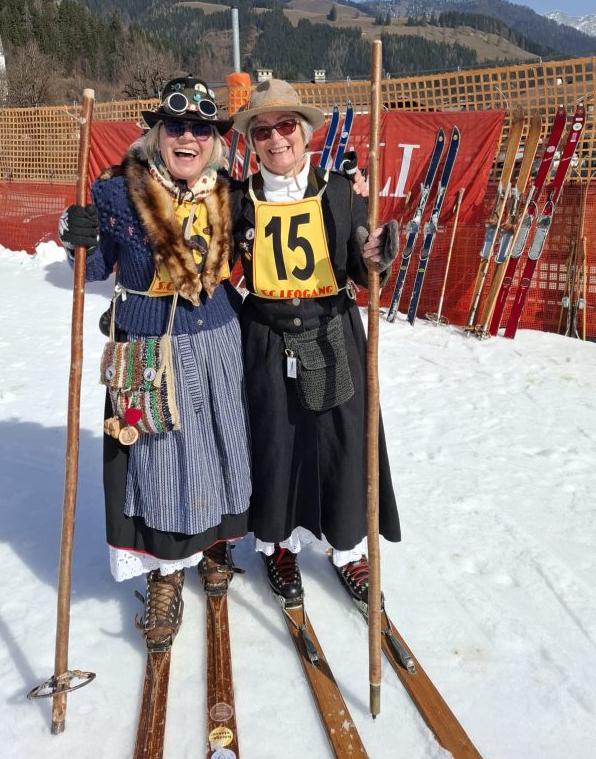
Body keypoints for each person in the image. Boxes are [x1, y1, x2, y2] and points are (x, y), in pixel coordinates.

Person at [59, 76, 251, 650]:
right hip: (150, 344)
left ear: (214, 140)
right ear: (157, 133)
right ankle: (166, 572)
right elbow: (93, 269)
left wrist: (348, 190)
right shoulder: (119, 192)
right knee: (161, 458)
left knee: (221, 445)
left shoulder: (228, 193)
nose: (188, 138)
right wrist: (75, 236)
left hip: (219, 336)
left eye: (201, 129)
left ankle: (216, 545)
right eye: (177, 126)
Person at [229, 78, 401, 606]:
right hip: (266, 338)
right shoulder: (237, 200)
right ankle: (278, 544)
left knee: (341, 444)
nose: (275, 139)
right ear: (251, 143)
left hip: (332, 333)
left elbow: (364, 271)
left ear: (305, 133)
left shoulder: (341, 193)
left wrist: (376, 255)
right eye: (262, 131)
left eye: (285, 126)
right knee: (275, 444)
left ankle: (347, 548)